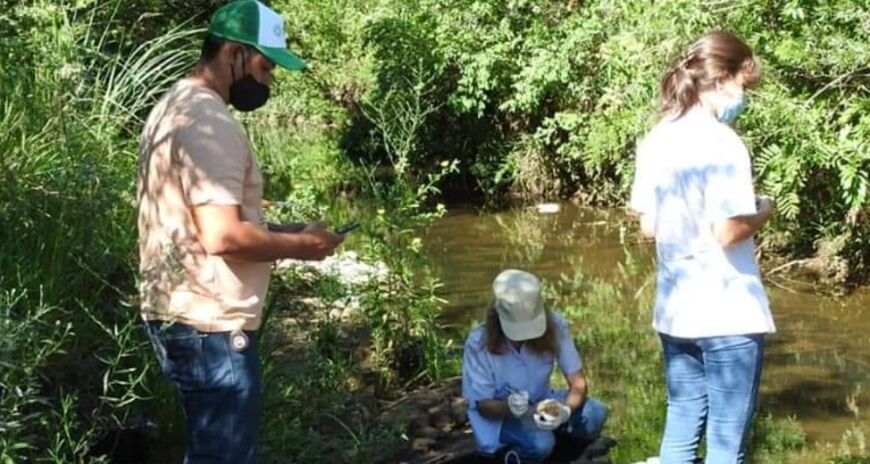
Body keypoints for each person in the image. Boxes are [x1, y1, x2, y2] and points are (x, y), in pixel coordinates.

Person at [136, 1, 344, 462]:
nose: (269, 80)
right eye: (266, 66)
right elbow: (222, 237)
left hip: (179, 315)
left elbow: (199, 223)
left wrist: (287, 229)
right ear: (233, 53)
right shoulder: (210, 124)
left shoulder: (173, 106)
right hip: (212, 326)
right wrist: (303, 247)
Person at [629, 31, 776, 464]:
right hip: (728, 312)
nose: (743, 97)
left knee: (680, 426)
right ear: (723, 78)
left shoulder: (657, 137)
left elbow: (650, 226)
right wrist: (764, 210)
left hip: (676, 312)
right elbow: (728, 231)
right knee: (727, 446)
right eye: (744, 86)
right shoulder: (723, 143)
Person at [462, 269, 608, 462]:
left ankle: (564, 453)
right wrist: (511, 407)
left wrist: (565, 411)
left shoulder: (556, 325)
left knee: (595, 413)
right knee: (540, 443)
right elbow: (483, 405)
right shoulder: (478, 342)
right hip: (501, 417)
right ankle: (511, 457)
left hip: (541, 402)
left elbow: (578, 383)